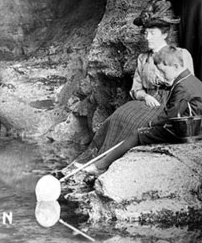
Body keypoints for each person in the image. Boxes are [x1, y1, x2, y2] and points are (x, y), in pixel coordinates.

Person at [67, 10, 194, 174]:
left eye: (152, 33)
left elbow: (189, 83)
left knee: (136, 123)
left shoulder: (181, 54)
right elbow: (136, 89)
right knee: (118, 116)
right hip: (147, 101)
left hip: (172, 102)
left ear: (164, 34)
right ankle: (96, 160)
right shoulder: (143, 58)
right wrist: (145, 96)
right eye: (146, 33)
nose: (147, 37)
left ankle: (107, 165)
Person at [73, 46, 202, 173]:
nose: (162, 75)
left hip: (189, 132)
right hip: (197, 128)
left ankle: (100, 166)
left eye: (163, 71)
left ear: (175, 66)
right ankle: (101, 163)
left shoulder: (182, 86)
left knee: (138, 134)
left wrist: (151, 124)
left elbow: (171, 113)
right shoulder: (189, 80)